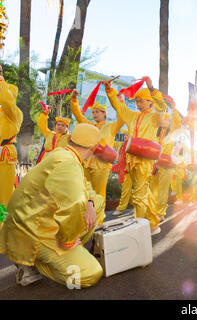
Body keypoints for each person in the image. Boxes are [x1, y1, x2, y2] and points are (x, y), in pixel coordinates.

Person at [0, 123, 105, 288]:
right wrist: (68, 241)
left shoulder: (62, 154)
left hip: (34, 219)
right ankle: (30, 260)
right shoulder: (68, 163)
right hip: (31, 231)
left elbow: (85, 185)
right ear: (95, 148)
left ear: (69, 139)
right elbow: (74, 204)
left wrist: (90, 204)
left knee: (97, 202)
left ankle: (63, 252)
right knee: (89, 274)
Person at [102, 77, 168, 235]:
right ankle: (153, 223)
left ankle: (140, 229)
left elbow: (162, 106)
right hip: (131, 159)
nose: (138, 104)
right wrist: (110, 90)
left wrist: (151, 88)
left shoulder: (155, 118)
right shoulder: (131, 116)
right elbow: (119, 106)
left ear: (150, 102)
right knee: (144, 192)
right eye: (137, 101)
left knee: (138, 195)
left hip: (145, 160)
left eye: (141, 101)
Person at [70, 89, 124, 211]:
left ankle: (98, 221)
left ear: (104, 114)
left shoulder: (111, 127)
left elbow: (122, 117)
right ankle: (86, 219)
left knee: (99, 194)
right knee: (85, 192)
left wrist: (117, 99)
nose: (94, 114)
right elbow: (78, 115)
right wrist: (74, 99)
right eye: (93, 112)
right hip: (87, 163)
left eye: (97, 112)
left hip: (102, 165)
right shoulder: (89, 125)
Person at [149, 96, 182, 222]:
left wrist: (174, 109)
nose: (165, 121)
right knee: (153, 190)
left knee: (163, 191)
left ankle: (160, 212)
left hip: (166, 165)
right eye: (163, 119)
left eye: (167, 120)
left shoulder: (172, 133)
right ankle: (152, 210)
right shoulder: (154, 133)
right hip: (154, 165)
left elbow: (178, 123)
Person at [0, 67, 23, 207]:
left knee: (3, 197)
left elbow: (5, 100)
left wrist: (1, 78)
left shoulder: (14, 113)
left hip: (5, 155)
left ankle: (2, 226)